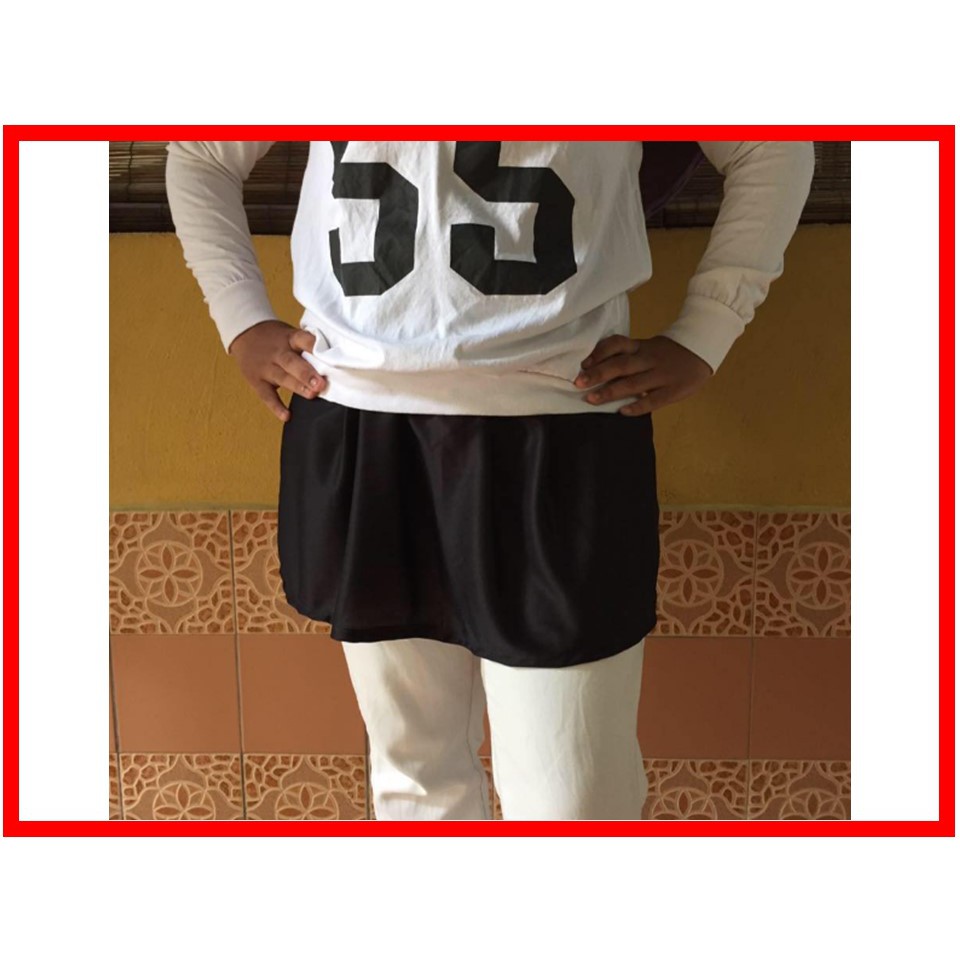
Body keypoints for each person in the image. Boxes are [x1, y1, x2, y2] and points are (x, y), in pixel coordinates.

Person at [165, 139, 815, 820]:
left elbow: (770, 144)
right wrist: (240, 316)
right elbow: (203, 153)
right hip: (362, 416)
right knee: (415, 778)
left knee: (571, 800)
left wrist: (708, 328)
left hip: (560, 423)